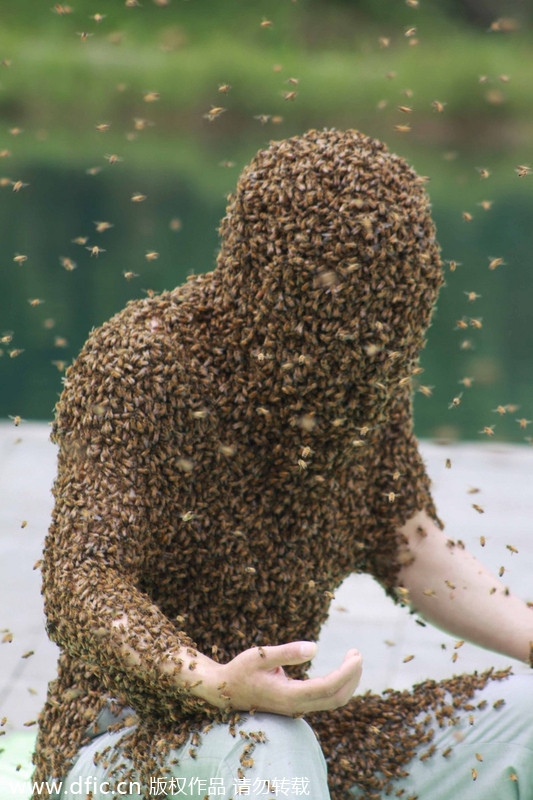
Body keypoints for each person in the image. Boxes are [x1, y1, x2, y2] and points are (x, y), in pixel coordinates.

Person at [32, 128, 533, 800]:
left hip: (295, 734)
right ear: (266, 279)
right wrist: (211, 682)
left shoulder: (363, 379)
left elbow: (408, 546)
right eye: (342, 306)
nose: (363, 340)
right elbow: (82, 581)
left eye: (383, 314)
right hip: (120, 748)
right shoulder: (145, 364)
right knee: (264, 744)